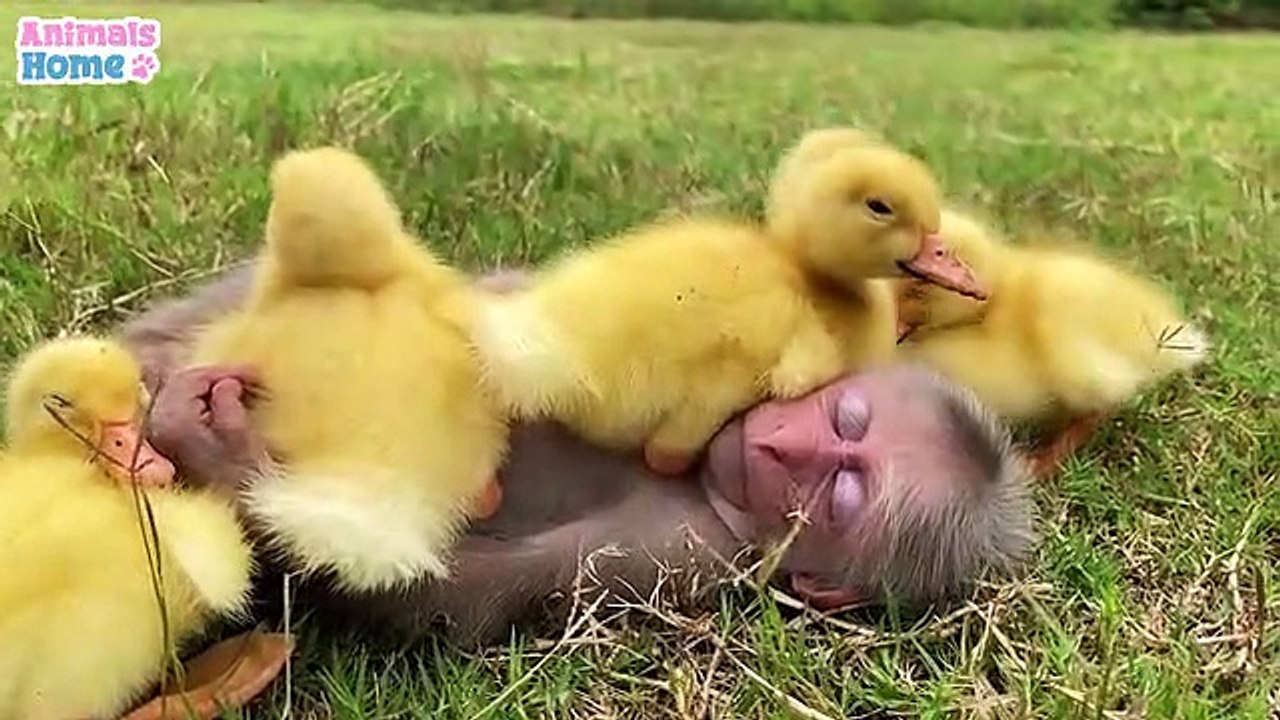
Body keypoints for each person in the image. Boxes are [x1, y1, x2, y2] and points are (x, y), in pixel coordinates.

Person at [121, 263, 1038, 649]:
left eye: (839, 498)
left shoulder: (679, 545)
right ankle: (140, 365)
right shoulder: (742, 370)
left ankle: (154, 415)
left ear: (824, 586)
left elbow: (449, 602)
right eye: (844, 417)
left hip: (328, 473)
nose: (794, 442)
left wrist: (255, 492)